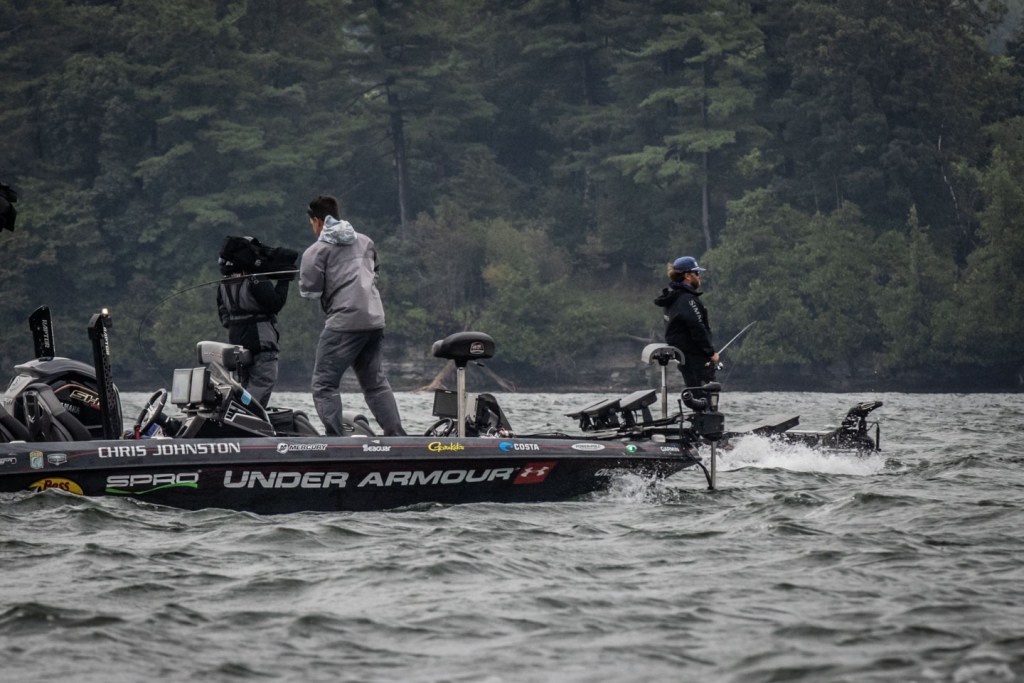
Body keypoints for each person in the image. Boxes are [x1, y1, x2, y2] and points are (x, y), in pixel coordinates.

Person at [299, 195, 406, 436]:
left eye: (311, 223)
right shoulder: (366, 241)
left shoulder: (315, 252)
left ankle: (336, 441)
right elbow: (374, 271)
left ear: (317, 221)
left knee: (324, 384)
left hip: (344, 323)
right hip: (374, 320)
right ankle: (397, 437)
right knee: (375, 384)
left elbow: (309, 291)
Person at [216, 241, 291, 408]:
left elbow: (224, 315)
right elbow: (275, 303)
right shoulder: (255, 279)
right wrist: (284, 280)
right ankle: (246, 414)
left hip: (237, 341)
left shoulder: (224, 283)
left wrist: (237, 324)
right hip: (261, 340)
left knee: (244, 384)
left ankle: (236, 412)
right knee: (262, 382)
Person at [653, 255, 720, 388]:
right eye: (697, 273)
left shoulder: (674, 298)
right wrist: (710, 352)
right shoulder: (688, 300)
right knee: (704, 395)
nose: (699, 276)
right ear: (687, 276)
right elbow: (697, 328)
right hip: (695, 358)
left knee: (694, 393)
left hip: (685, 357)